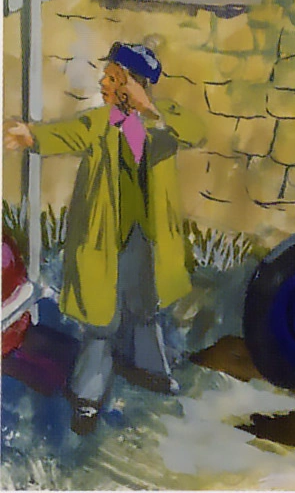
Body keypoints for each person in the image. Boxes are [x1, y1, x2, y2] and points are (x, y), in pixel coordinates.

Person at [3, 42, 204, 435]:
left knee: (145, 307)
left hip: (146, 240)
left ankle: (149, 369)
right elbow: (67, 134)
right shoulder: (101, 123)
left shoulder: (160, 126)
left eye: (112, 78)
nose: (103, 83)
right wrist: (32, 136)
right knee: (102, 323)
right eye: (107, 76)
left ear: (132, 85)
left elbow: (196, 132)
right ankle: (87, 397)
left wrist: (151, 109)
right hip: (103, 243)